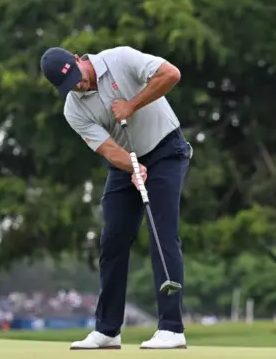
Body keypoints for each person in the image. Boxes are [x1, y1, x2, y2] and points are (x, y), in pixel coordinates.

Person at [40, 46, 192, 350]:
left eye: (78, 78)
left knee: (162, 234)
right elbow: (108, 149)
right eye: (70, 86)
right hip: (125, 161)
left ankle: (172, 329)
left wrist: (132, 105)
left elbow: (170, 74)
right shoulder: (73, 109)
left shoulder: (120, 58)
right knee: (112, 241)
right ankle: (108, 330)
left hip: (167, 150)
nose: (79, 86)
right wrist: (133, 166)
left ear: (77, 59)